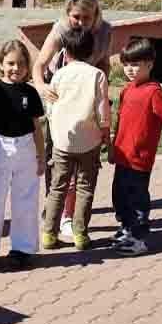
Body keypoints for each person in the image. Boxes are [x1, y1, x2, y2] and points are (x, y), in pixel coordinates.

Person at [31, 0, 113, 239]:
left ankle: (68, 216)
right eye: (76, 16)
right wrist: (42, 87)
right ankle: (55, 214)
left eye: (86, 18)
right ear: (68, 14)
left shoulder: (105, 31)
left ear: (96, 16)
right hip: (61, 96)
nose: (80, 22)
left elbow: (105, 64)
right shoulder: (60, 29)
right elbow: (39, 65)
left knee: (83, 164)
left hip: (87, 95)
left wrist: (100, 93)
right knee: (58, 159)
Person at [0, 40, 46, 271]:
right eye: (11, 63)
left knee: (25, 199)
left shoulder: (30, 92)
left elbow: (37, 127)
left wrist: (41, 157)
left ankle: (22, 250)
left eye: (21, 64)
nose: (16, 68)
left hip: (26, 149)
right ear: (1, 64)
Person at [108, 38, 162, 256]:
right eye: (126, 65)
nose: (130, 70)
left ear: (150, 65)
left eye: (135, 65)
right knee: (119, 196)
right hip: (123, 155)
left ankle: (139, 238)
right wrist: (113, 146)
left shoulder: (154, 92)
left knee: (137, 200)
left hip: (140, 159)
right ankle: (127, 229)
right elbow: (120, 120)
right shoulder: (126, 90)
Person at [41, 28, 111, 251]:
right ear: (91, 52)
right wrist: (105, 134)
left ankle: (49, 234)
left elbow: (50, 108)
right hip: (89, 141)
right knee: (85, 187)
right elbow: (102, 111)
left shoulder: (59, 75)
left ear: (66, 52)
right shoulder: (97, 75)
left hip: (62, 142)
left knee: (57, 188)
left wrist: (56, 130)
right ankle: (81, 234)